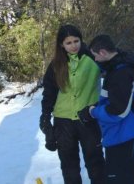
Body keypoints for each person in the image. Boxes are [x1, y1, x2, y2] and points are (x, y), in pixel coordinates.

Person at [40, 25, 105, 184]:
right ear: (61, 44)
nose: (73, 45)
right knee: (69, 166)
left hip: (88, 118)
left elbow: (113, 61)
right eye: (68, 43)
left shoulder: (92, 57)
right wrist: (45, 118)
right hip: (63, 122)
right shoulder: (56, 65)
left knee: (95, 162)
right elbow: (49, 94)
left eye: (76, 41)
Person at [87, 35, 134, 184]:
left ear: (103, 52)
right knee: (128, 173)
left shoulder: (120, 73)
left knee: (118, 177)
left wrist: (94, 112)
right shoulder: (119, 65)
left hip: (119, 133)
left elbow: (118, 112)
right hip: (125, 131)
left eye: (95, 55)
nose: (96, 60)